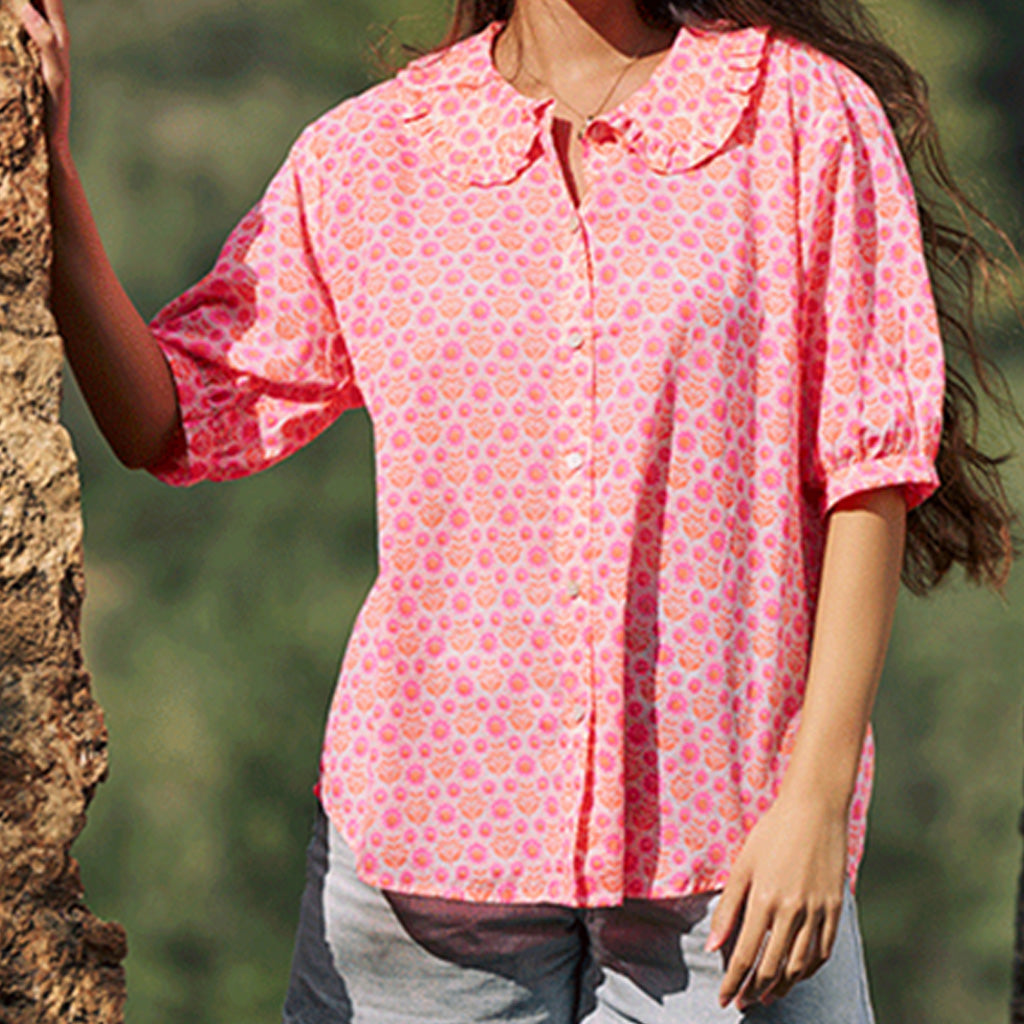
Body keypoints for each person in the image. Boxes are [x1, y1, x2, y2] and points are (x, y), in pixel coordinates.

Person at [20, 0, 1019, 1020]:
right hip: (427, 865)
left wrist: (815, 799)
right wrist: (47, 176)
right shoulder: (370, 157)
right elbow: (171, 417)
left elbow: (871, 466)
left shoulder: (802, 119)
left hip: (736, 864)